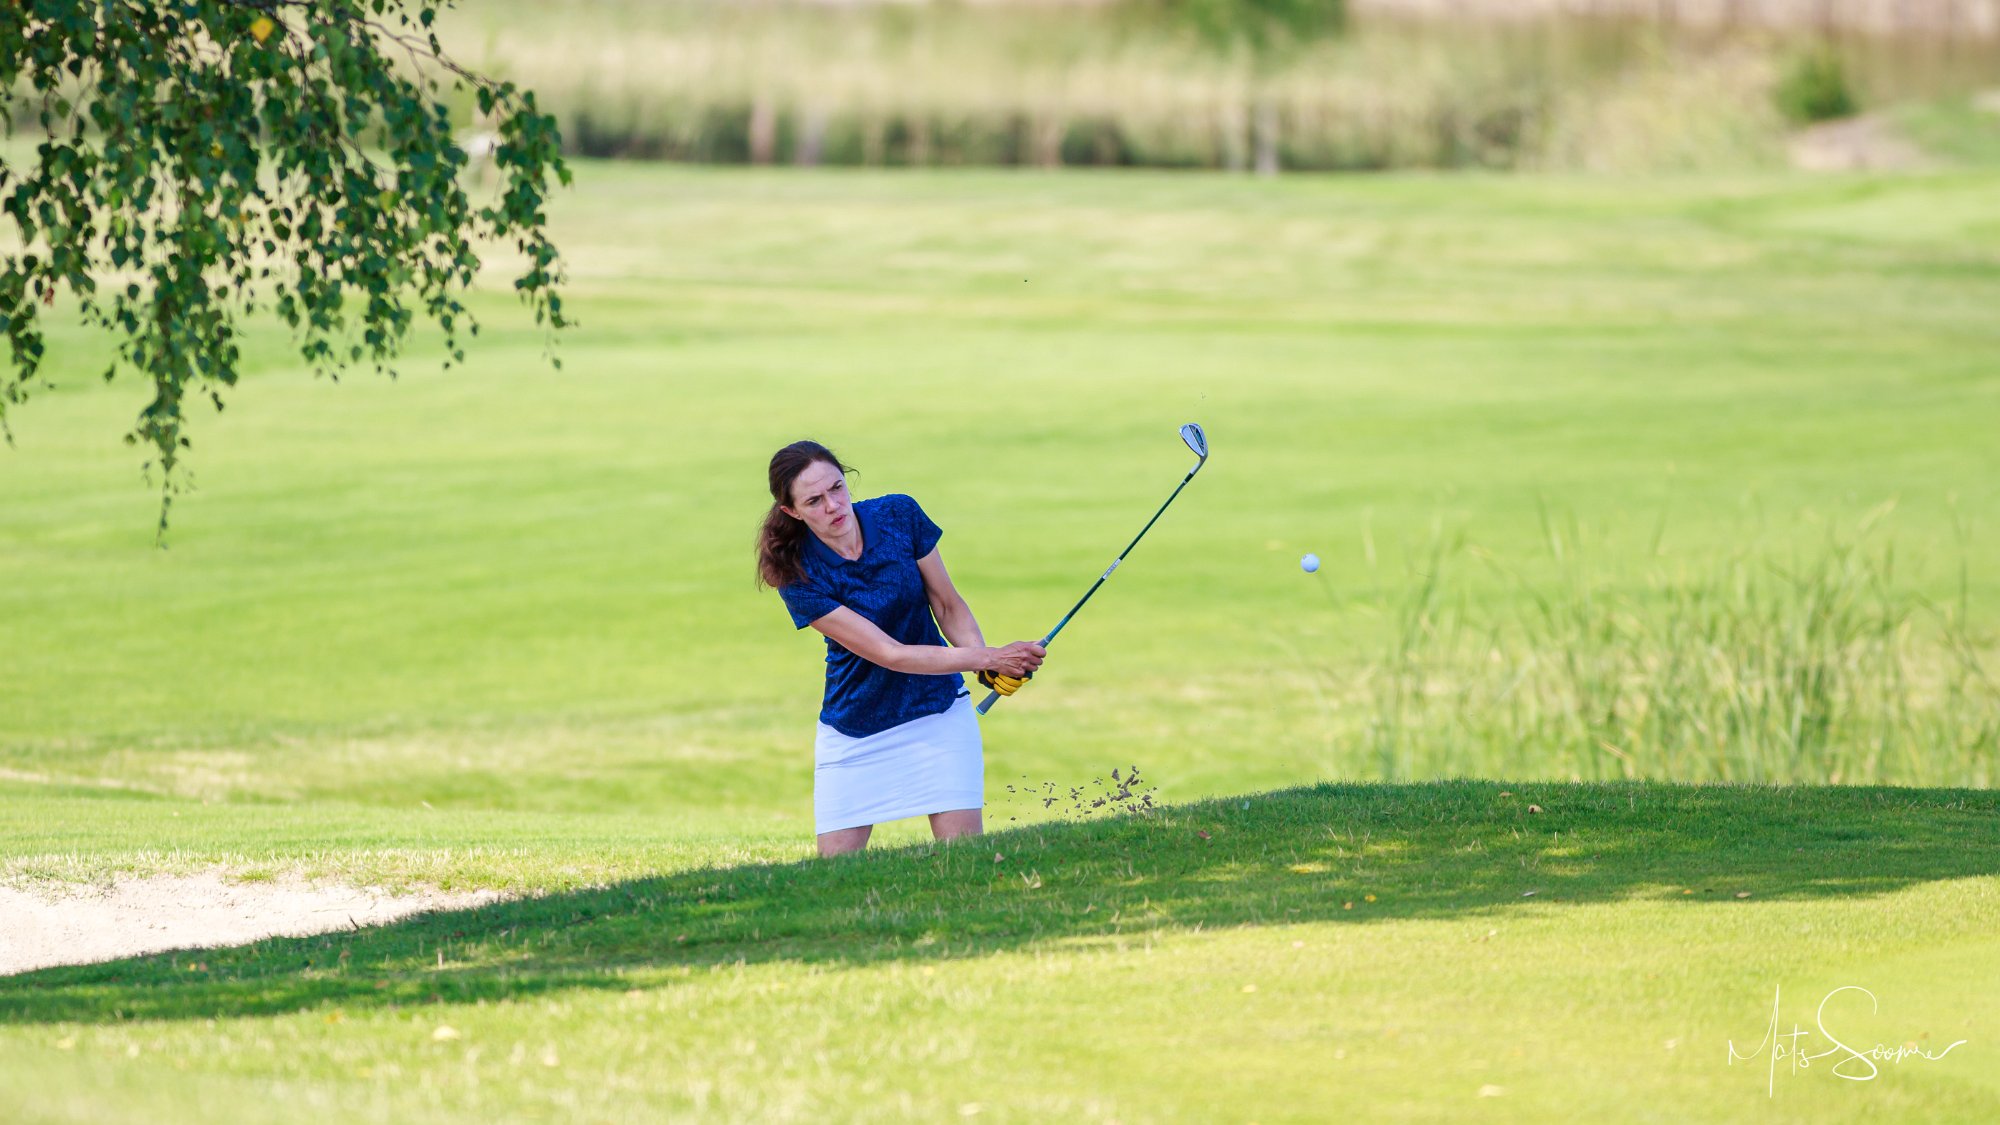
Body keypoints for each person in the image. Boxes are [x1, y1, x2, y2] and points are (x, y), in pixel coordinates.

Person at [756, 440, 1046, 858]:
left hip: (938, 713)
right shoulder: (795, 573)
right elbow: (890, 652)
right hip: (855, 728)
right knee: (837, 878)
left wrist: (983, 661)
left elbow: (947, 604)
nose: (834, 506)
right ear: (792, 512)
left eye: (837, 488)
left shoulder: (898, 514)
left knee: (964, 861)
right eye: (814, 501)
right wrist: (989, 658)